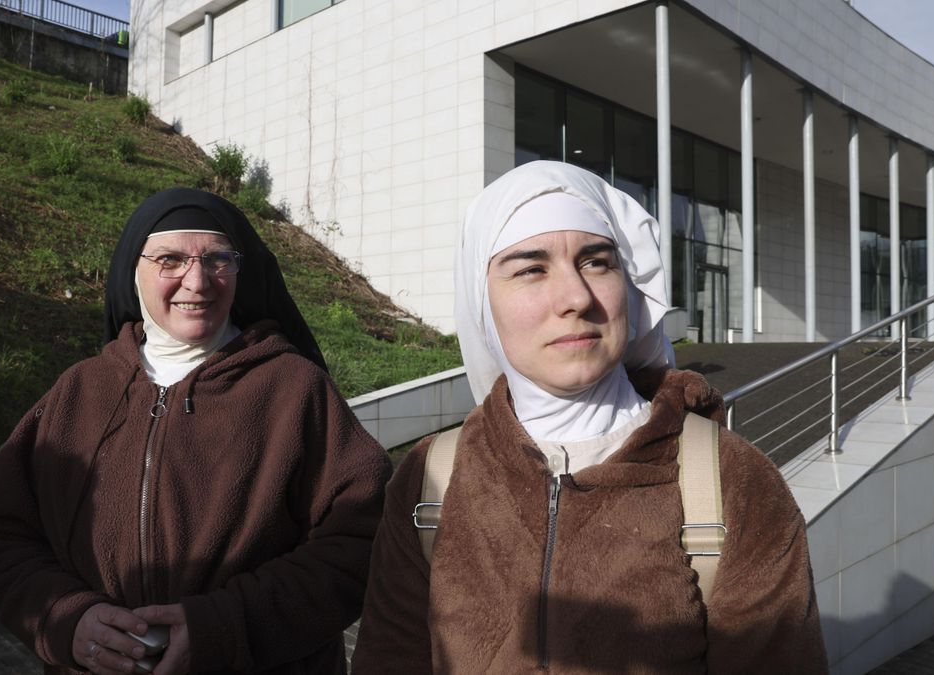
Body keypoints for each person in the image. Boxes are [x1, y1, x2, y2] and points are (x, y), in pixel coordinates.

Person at [351, 161, 827, 673]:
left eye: (597, 262)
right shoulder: (430, 480)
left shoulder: (733, 479)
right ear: (481, 303)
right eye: (531, 269)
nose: (576, 298)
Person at [0, 188, 392, 675]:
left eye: (217, 259)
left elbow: (361, 540)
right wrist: (65, 619)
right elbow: (7, 537)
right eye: (169, 260)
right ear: (133, 272)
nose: (197, 281)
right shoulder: (78, 393)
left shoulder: (294, 390)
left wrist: (225, 627)